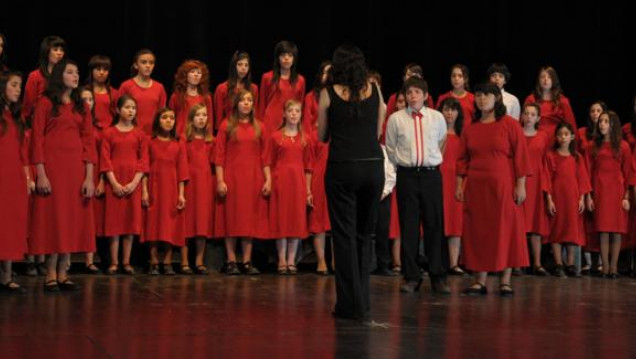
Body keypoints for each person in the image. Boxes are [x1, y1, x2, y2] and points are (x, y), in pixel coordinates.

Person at [317, 45, 385, 323]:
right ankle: (364, 303)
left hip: (343, 168)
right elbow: (379, 129)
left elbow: (322, 135)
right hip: (372, 166)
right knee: (364, 236)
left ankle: (349, 305)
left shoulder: (328, 92)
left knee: (344, 237)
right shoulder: (375, 89)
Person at [456, 82, 529, 297]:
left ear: (496, 98)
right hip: (477, 188)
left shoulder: (510, 125)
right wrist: (460, 185)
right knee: (479, 231)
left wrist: (521, 184)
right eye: (478, 95)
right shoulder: (471, 127)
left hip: (503, 185)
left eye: (486, 95)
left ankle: (505, 281)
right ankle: (480, 281)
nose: (481, 99)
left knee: (505, 229)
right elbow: (462, 159)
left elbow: (521, 156)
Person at [31, 59, 97, 292]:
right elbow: (37, 139)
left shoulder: (82, 106)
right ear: (60, 75)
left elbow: (89, 142)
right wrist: (40, 173)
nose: (76, 75)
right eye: (70, 72)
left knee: (70, 218)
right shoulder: (46, 102)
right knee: (54, 219)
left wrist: (89, 176)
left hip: (75, 169)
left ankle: (63, 273)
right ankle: (50, 272)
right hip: (53, 167)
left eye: (77, 71)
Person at [385, 77, 450, 294]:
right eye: (409, 92)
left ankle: (437, 275)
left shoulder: (437, 117)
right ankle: (412, 276)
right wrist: (405, 166)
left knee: (434, 225)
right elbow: (391, 148)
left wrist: (430, 161)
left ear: (425, 94)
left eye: (416, 92)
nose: (412, 96)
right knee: (409, 226)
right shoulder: (395, 119)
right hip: (408, 176)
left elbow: (442, 141)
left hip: (431, 176)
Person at [215, 89, 270, 275]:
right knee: (231, 218)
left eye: (249, 100)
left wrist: (268, 179)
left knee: (249, 219)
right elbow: (219, 155)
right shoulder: (227, 126)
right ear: (236, 104)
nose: (246, 103)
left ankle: (246, 261)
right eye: (242, 100)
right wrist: (220, 180)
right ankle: (231, 261)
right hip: (233, 177)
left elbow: (265, 157)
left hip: (253, 178)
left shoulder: (259, 127)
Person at [100, 95, 148, 275]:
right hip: (115, 181)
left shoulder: (140, 133)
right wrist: (114, 183)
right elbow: (105, 159)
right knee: (114, 224)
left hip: (132, 182)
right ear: (118, 110)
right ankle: (114, 262)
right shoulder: (109, 133)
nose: (130, 111)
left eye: (133, 108)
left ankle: (126, 262)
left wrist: (134, 183)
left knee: (129, 224)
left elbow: (143, 161)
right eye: (127, 107)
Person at [267, 99, 313, 274]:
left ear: (301, 115)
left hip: (298, 184)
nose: (294, 114)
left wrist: (308, 190)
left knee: (295, 220)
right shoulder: (276, 137)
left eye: (297, 111)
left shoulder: (304, 139)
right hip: (281, 183)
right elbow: (268, 162)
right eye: (291, 111)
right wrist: (269, 181)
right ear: (285, 114)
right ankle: (282, 260)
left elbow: (308, 167)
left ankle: (292, 260)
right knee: (282, 220)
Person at [142, 108, 188, 275]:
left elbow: (182, 170)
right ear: (158, 121)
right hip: (154, 186)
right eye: (164, 118)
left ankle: (167, 261)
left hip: (171, 188)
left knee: (170, 223)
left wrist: (181, 193)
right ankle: (153, 261)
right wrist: (145, 190)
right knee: (153, 223)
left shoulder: (178, 143)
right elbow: (145, 168)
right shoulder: (149, 141)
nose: (168, 121)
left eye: (171, 118)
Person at [543, 123, 591, 277]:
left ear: (572, 137)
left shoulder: (577, 157)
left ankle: (570, 264)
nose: (563, 137)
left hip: (573, 198)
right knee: (557, 229)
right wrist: (549, 199)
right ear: (556, 137)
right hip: (558, 197)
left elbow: (582, 178)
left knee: (572, 230)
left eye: (566, 134)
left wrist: (582, 199)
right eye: (560, 134)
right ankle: (558, 264)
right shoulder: (551, 155)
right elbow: (547, 178)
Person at [588, 111, 631, 278]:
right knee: (603, 229)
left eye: (606, 121)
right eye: (601, 122)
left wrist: (626, 196)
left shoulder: (624, 146)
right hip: (600, 190)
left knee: (616, 230)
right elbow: (588, 171)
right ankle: (605, 266)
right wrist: (589, 194)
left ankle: (614, 267)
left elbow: (627, 172)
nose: (602, 124)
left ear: (613, 124)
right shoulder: (594, 146)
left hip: (617, 190)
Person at [0, 71, 29, 293]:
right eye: (14, 85)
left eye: (20, 86)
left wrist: (27, 176)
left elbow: (23, 149)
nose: (18, 89)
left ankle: (7, 277)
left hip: (14, 175)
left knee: (10, 224)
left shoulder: (17, 115)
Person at [304, 61, 332, 275]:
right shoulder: (310, 97)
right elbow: (307, 126)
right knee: (319, 213)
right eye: (325, 72)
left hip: (336, 148)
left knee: (337, 214)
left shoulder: (340, 94)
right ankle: (321, 260)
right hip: (318, 148)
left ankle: (338, 261)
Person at [183, 103, 215, 275]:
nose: (201, 118)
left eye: (204, 115)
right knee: (187, 222)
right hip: (189, 183)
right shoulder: (184, 140)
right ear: (191, 119)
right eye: (198, 115)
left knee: (202, 221)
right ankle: (184, 261)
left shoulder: (211, 141)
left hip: (205, 183)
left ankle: (199, 261)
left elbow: (214, 163)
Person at [520, 103, 550, 275]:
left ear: (538, 118)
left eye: (533, 114)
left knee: (536, 224)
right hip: (521, 182)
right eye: (527, 113)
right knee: (520, 225)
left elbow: (546, 161)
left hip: (537, 183)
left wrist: (547, 189)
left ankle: (537, 263)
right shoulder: (517, 134)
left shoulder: (544, 136)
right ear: (522, 116)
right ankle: (518, 263)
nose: (529, 117)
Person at [438, 97, 465, 276]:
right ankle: (437, 263)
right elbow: (436, 155)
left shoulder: (463, 136)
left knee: (455, 222)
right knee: (438, 221)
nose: (449, 113)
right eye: (446, 109)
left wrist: (461, 184)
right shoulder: (435, 134)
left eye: (453, 110)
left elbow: (464, 162)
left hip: (456, 181)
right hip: (438, 178)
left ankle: (454, 264)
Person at [258, 40, 306, 130]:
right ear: (278, 57)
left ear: (294, 59)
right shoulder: (267, 77)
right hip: (269, 124)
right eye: (283, 55)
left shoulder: (300, 80)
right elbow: (261, 105)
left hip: (291, 124)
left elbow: (301, 105)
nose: (286, 58)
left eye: (290, 55)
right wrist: (260, 126)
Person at [119, 49, 167, 136]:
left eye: (151, 63)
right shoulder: (126, 86)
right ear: (136, 65)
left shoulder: (159, 87)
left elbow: (162, 113)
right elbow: (119, 111)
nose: (148, 65)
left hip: (153, 134)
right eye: (144, 62)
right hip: (131, 134)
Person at [523, 66, 576, 140]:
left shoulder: (562, 101)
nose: (545, 79)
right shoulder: (531, 99)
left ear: (554, 80)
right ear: (538, 80)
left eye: (549, 77)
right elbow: (523, 122)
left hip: (556, 140)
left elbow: (571, 125)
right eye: (542, 77)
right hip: (535, 139)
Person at [22, 36, 66, 121]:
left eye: (62, 50)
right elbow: (28, 107)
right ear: (46, 52)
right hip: (40, 121)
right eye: (55, 49)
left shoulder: (66, 76)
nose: (59, 53)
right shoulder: (35, 76)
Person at [214, 51, 259, 131]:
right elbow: (219, 120)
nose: (243, 68)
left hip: (248, 130)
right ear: (233, 66)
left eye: (246, 65)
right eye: (240, 64)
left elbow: (254, 114)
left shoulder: (253, 88)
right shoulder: (222, 89)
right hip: (229, 130)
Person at [169, 59, 214, 138]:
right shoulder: (176, 97)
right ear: (185, 75)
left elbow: (209, 121)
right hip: (181, 138)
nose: (196, 75)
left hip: (200, 138)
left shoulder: (206, 98)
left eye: (199, 73)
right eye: (192, 72)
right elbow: (171, 118)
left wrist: (208, 137)